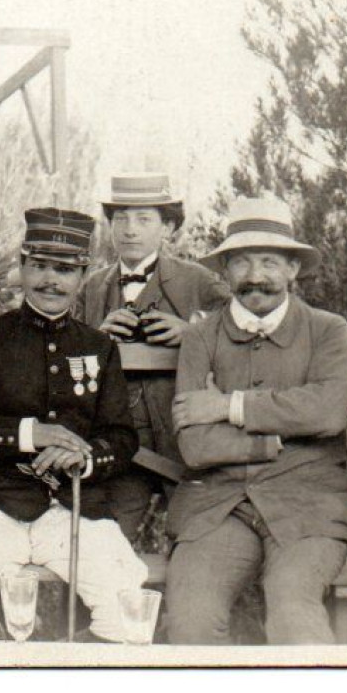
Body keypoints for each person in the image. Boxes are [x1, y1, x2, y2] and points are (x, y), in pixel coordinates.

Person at [0, 208, 145, 641]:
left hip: (75, 509)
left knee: (127, 611)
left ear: (82, 275)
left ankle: (59, 675)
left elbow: (121, 437)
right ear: (22, 266)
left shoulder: (98, 347)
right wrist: (31, 434)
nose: (52, 280)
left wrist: (82, 456)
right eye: (41, 266)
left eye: (65, 269)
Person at [165, 197, 347, 645]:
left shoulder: (328, 330)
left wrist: (228, 406)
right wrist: (273, 442)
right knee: (191, 617)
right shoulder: (201, 336)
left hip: (308, 507)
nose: (256, 276)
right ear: (226, 271)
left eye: (270, 262)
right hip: (217, 506)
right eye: (242, 263)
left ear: (293, 269)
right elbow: (195, 444)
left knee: (293, 612)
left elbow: (328, 412)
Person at [76, 172, 232, 541]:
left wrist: (191, 330)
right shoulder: (92, 287)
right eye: (121, 219)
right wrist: (96, 337)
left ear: (169, 228)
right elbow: (62, 360)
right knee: (104, 543)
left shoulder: (199, 281)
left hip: (183, 442)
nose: (130, 230)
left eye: (144, 219)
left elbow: (245, 326)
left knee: (197, 542)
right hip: (119, 445)